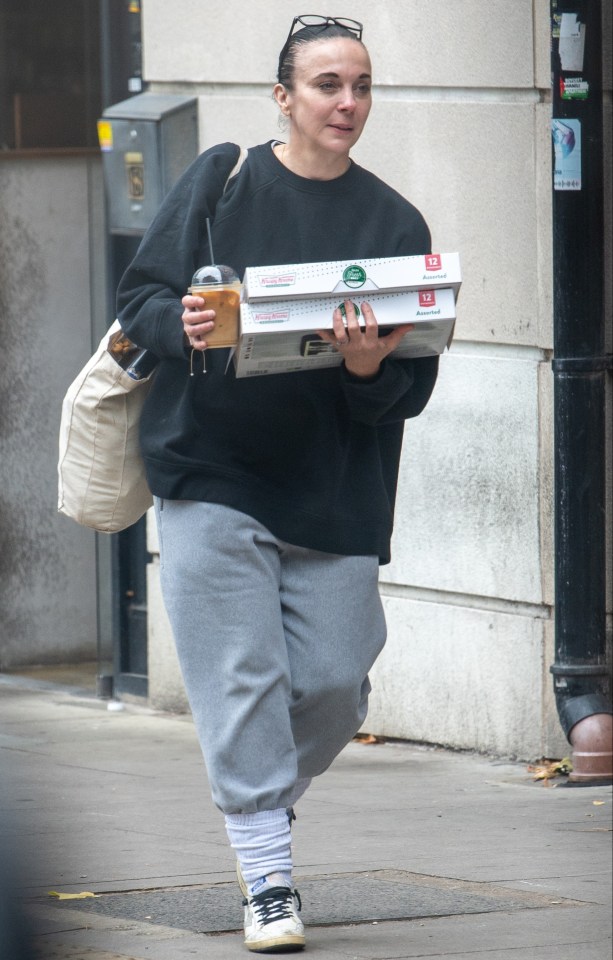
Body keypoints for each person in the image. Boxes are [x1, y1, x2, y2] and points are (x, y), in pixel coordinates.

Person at [117, 13, 440, 954]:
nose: (348, 103)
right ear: (283, 96)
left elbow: (412, 385)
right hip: (210, 469)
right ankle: (267, 881)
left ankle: (252, 806)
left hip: (334, 485)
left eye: (362, 86)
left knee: (337, 685)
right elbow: (139, 300)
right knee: (243, 679)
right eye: (328, 85)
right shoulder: (223, 181)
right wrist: (184, 324)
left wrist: (370, 369)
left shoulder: (393, 221)